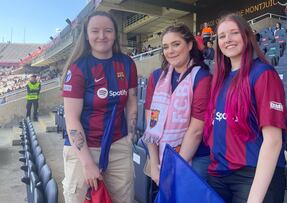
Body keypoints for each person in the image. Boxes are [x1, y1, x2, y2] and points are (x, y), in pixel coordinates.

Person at [204, 13, 287, 203]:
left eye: (234, 33)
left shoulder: (263, 74)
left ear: (247, 35)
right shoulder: (220, 79)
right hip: (219, 173)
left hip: (252, 175)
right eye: (222, 36)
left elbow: (274, 141)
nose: (228, 40)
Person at [61, 11, 137, 203]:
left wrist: (130, 136)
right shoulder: (78, 68)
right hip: (83, 149)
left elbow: (132, 101)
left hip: (118, 146)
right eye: (95, 31)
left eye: (108, 30)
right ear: (86, 35)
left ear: (115, 34)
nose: (102, 36)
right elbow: (71, 119)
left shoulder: (127, 64)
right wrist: (87, 163)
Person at [143, 23, 212, 185]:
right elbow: (150, 125)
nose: (170, 51)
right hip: (161, 155)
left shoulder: (202, 77)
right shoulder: (156, 77)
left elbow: (196, 130)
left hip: (195, 158)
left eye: (176, 44)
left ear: (189, 45)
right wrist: (154, 164)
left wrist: (174, 168)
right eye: (165, 47)